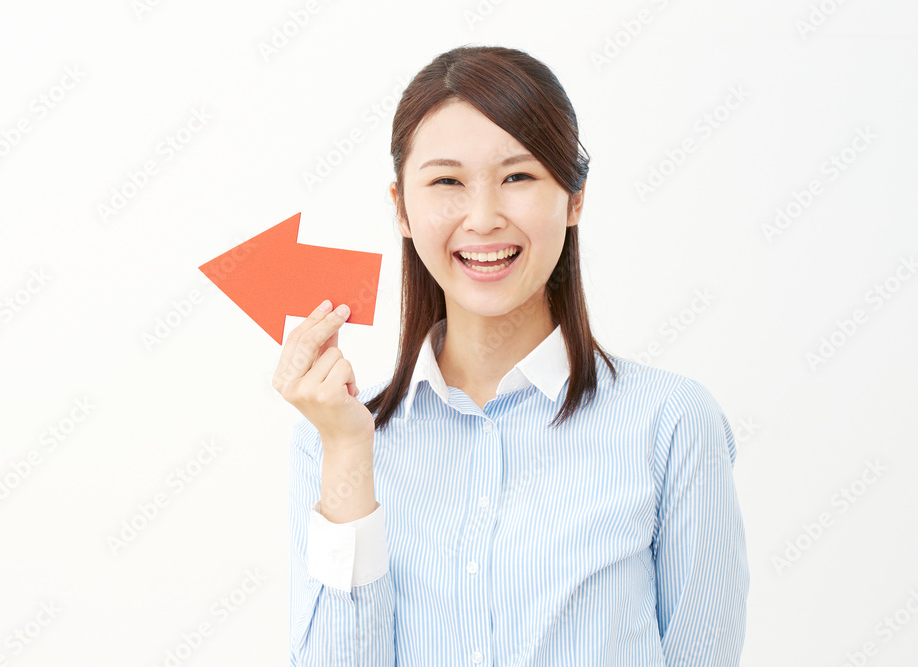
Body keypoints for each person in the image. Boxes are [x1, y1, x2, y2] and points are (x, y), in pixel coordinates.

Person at [273, 45, 749, 666]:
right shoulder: (333, 438)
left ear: (574, 198)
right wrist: (346, 451)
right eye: (447, 182)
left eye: (518, 177)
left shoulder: (671, 422)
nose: (483, 218)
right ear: (401, 209)